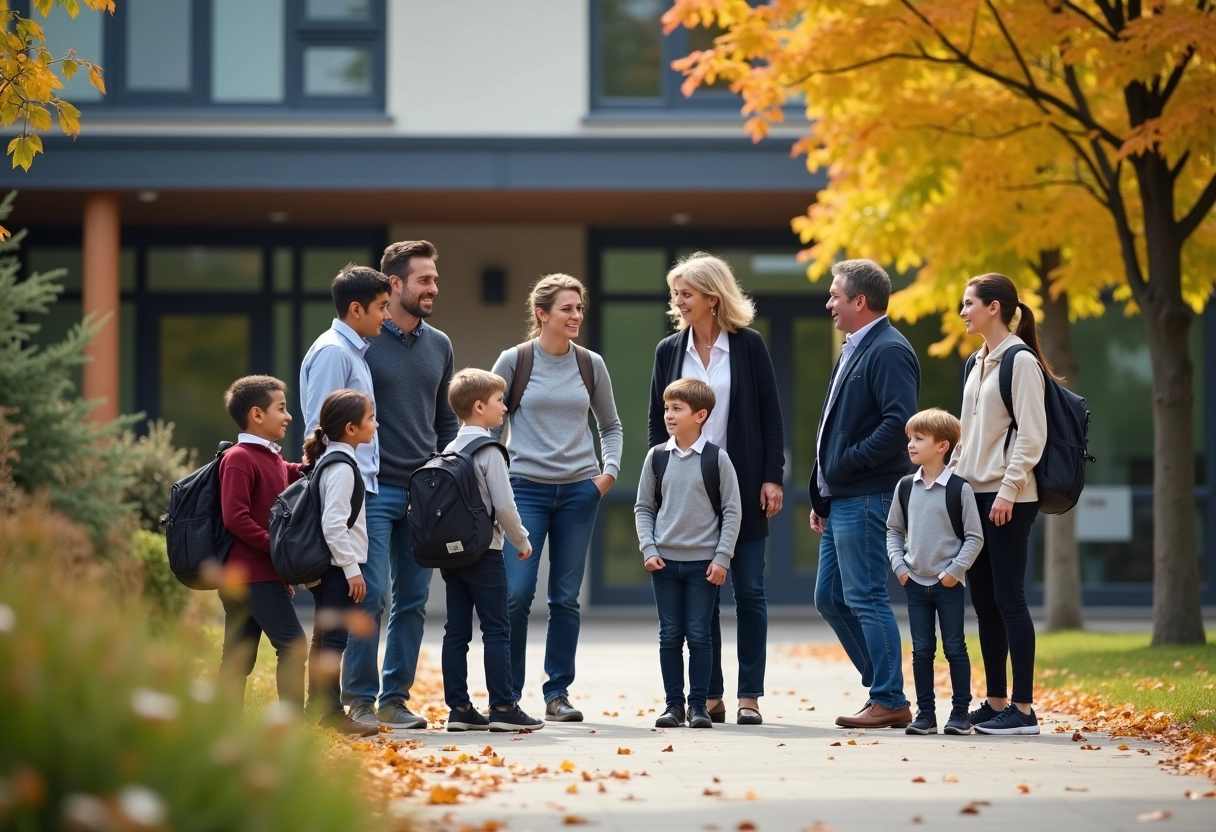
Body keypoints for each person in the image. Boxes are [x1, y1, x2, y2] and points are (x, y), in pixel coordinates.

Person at [648, 252, 784, 725]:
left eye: (685, 293)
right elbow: (655, 423)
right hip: (686, 489)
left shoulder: (748, 346)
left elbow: (770, 415)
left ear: (712, 296)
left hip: (741, 486)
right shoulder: (670, 351)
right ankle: (710, 694)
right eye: (676, 294)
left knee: (748, 589)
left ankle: (749, 694)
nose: (678, 302)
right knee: (702, 600)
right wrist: (660, 477)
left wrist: (771, 475)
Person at [491, 274, 623, 721]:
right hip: (524, 490)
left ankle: (557, 693)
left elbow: (611, 426)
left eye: (579, 308)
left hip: (578, 494)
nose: (576, 316)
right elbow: (486, 423)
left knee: (565, 597)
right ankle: (507, 696)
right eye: (567, 308)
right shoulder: (514, 360)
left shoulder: (590, 364)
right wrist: (493, 482)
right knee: (516, 594)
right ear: (542, 314)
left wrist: (606, 476)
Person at [346, 240, 460, 732]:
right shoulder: (362, 341)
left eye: (434, 278)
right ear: (395, 284)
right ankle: (360, 701)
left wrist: (445, 469)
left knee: (414, 601)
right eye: (425, 280)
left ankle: (396, 699)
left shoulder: (441, 345)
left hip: (424, 495)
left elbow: (445, 421)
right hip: (373, 488)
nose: (434, 287)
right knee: (370, 594)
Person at [809, 258, 919, 730]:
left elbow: (899, 425)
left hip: (869, 494)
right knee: (829, 598)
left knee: (866, 596)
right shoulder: (855, 348)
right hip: (843, 498)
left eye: (836, 294)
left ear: (860, 300)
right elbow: (834, 423)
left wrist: (844, 465)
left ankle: (888, 696)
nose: (829, 302)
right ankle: (886, 687)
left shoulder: (889, 350)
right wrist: (822, 491)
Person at [953, 273, 1048, 736]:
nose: (963, 311)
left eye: (969, 303)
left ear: (994, 307)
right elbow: (969, 435)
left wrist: (1009, 488)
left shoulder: (1021, 361)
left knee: (1009, 599)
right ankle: (995, 702)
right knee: (984, 603)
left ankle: (1024, 710)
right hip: (974, 493)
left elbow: (1032, 434)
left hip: (1009, 496)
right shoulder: (976, 361)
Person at [440, 368, 544, 733]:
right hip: (485, 552)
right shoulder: (489, 451)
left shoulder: (448, 450)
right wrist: (523, 540)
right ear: (480, 406)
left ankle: (459, 709)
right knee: (497, 629)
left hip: (452, 556)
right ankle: (502, 706)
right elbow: (504, 506)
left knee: (456, 631)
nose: (505, 407)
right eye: (500, 401)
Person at [636, 378, 742, 730]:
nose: (668, 415)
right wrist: (648, 548)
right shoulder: (656, 457)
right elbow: (643, 508)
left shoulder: (718, 459)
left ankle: (699, 706)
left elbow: (732, 511)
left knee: (699, 634)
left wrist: (722, 557)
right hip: (663, 564)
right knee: (670, 635)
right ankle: (673, 706)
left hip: (703, 566)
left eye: (676, 409)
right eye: (667, 408)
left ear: (700, 415)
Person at [885, 408, 983, 736]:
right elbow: (894, 530)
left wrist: (955, 571)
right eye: (910, 439)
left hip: (948, 584)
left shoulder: (959, 489)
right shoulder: (905, 487)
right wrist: (900, 567)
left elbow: (974, 536)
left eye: (919, 439)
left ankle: (959, 713)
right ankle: (925, 714)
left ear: (942, 446)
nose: (910, 445)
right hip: (914, 583)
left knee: (955, 647)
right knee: (921, 649)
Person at [216, 375, 307, 712]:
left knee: (239, 654)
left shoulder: (270, 457)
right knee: (293, 645)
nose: (288, 416)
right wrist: (278, 548)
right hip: (249, 574)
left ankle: (222, 724)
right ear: (257, 414)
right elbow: (235, 517)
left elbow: (293, 471)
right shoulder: (239, 457)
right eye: (281, 408)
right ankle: (293, 726)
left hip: (257, 572)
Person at [301, 389, 380, 738]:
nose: (375, 425)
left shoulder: (330, 460)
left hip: (329, 567)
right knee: (333, 641)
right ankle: (330, 712)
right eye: (370, 418)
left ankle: (316, 709)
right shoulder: (343, 467)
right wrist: (352, 569)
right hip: (337, 569)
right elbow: (334, 524)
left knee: (323, 638)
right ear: (351, 428)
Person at [299, 263, 392, 499]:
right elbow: (320, 427)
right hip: (345, 489)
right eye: (382, 307)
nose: (387, 315)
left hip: (357, 485)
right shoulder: (334, 351)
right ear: (356, 309)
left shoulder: (351, 350)